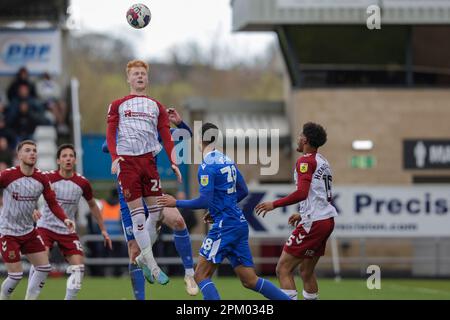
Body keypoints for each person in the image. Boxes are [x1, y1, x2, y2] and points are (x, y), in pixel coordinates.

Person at [157, 123, 290, 300]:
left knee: (200, 276)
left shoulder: (207, 166)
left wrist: (176, 202)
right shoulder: (226, 160)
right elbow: (243, 190)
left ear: (200, 140)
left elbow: (204, 200)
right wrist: (220, 208)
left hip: (224, 227)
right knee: (250, 280)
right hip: (238, 224)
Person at [103, 108, 199, 298]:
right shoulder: (125, 133)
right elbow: (105, 146)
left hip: (152, 190)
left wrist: (178, 122)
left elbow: (186, 136)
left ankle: (189, 275)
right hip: (129, 194)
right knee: (133, 250)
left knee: (179, 221)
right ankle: (141, 295)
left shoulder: (156, 133)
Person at [106, 59, 182, 285]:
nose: (139, 76)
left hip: (149, 163)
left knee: (157, 214)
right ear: (128, 78)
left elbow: (166, 136)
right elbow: (110, 135)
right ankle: (154, 266)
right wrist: (114, 158)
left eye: (143, 74)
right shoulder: (118, 104)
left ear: (147, 79)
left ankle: (141, 258)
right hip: (127, 163)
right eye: (135, 74)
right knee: (139, 217)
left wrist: (173, 161)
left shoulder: (156, 106)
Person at [255, 122, 337, 300]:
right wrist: (303, 213)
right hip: (325, 220)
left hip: (314, 222)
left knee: (283, 269)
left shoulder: (305, 161)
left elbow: (302, 193)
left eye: (300, 136)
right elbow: (319, 194)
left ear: (305, 140)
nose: (298, 139)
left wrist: (274, 204)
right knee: (306, 272)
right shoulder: (322, 161)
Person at [31, 143, 112, 300]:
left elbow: (93, 205)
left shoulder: (82, 183)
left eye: (71, 156)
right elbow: (31, 192)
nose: (68, 159)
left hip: (67, 230)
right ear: (58, 161)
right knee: (41, 263)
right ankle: (31, 297)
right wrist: (33, 209)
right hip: (45, 226)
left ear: (75, 160)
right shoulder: (48, 178)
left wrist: (103, 229)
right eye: (64, 156)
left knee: (78, 268)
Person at [0, 140, 75, 300]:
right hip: (8, 232)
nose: (32, 153)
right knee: (16, 276)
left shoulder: (41, 178)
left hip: (28, 231)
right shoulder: (7, 175)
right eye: (27, 150)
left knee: (43, 267)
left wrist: (65, 219)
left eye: (34, 150)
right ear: (19, 155)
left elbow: (53, 203)